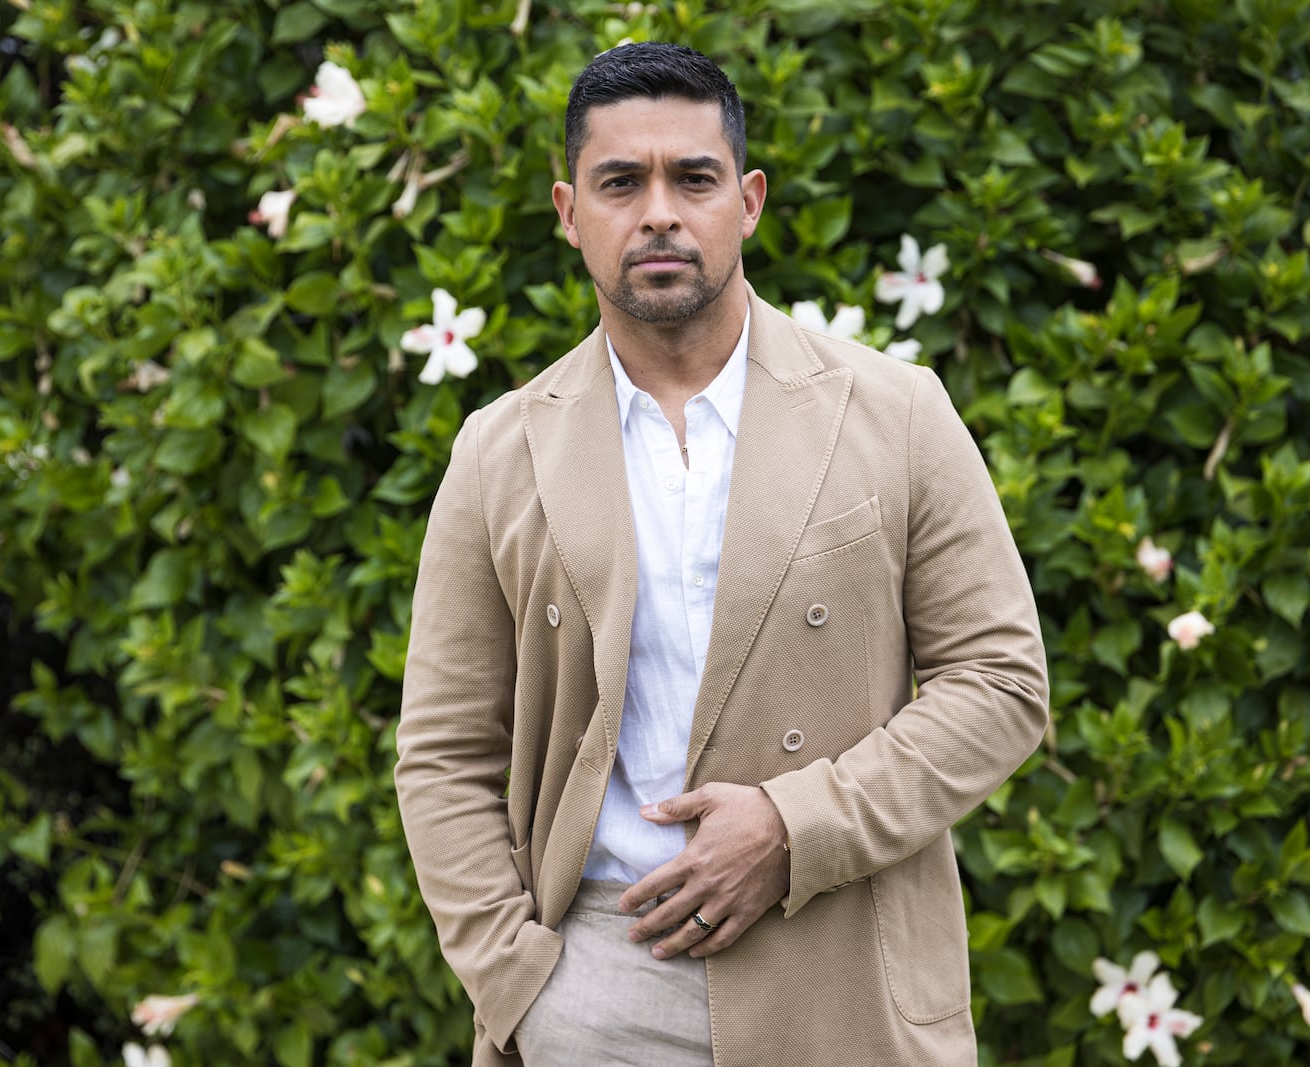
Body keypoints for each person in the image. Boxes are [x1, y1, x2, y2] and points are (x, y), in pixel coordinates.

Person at [393, 41, 1049, 1067]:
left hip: (846, 970)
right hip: (596, 983)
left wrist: (794, 826)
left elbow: (1001, 683)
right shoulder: (500, 451)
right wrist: (517, 978)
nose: (658, 211)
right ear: (569, 212)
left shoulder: (894, 411)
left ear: (745, 200)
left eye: (691, 178)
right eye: (621, 181)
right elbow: (442, 753)